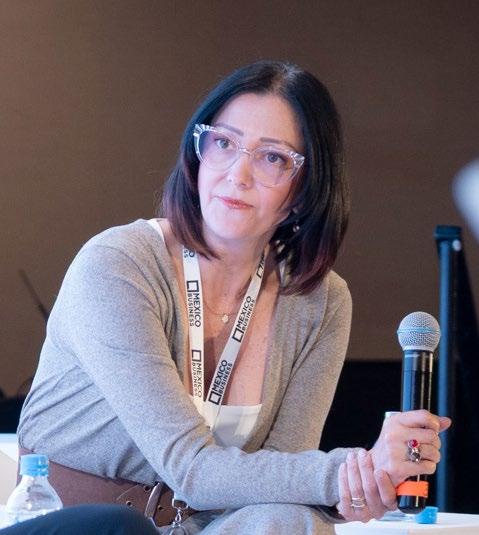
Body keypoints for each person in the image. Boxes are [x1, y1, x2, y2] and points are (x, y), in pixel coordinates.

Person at [15, 60, 450, 534]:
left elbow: (283, 476)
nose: (238, 174)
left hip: (203, 524)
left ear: (305, 189)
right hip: (82, 525)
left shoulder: (320, 300)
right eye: (223, 143)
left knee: (290, 517)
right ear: (198, 154)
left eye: (272, 158)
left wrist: (363, 484)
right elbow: (190, 467)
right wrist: (347, 472)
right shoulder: (119, 264)